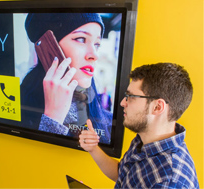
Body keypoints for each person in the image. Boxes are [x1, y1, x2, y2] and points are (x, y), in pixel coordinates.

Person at [79, 63, 199, 188]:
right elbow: (122, 175)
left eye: (131, 97)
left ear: (157, 107)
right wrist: (93, 148)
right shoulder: (145, 139)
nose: (122, 102)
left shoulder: (169, 181)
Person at [21, 13, 112, 144]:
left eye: (97, 44)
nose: (94, 55)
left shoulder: (108, 122)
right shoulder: (18, 108)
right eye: (81, 39)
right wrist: (53, 118)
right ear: (49, 46)